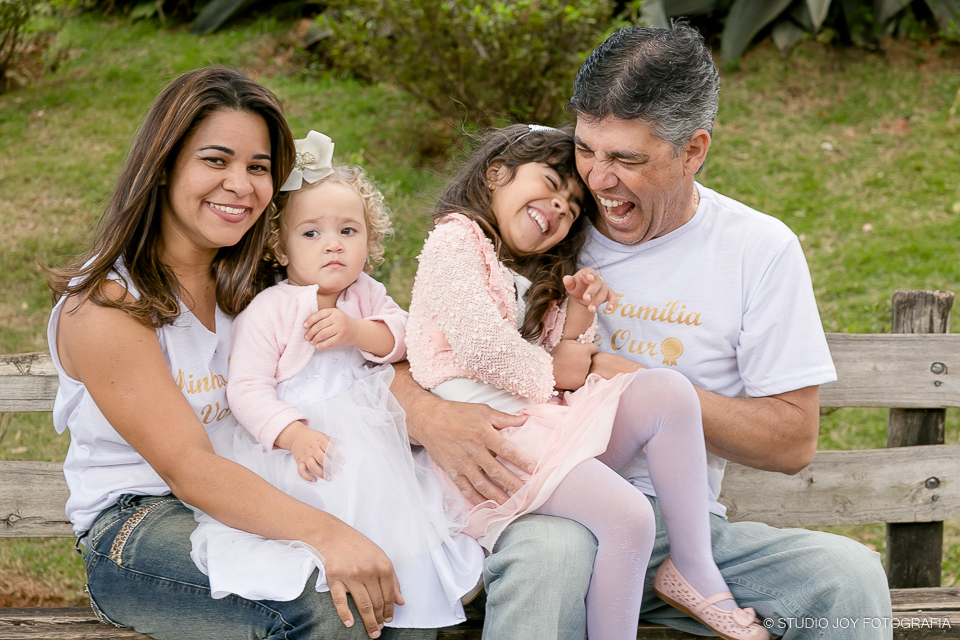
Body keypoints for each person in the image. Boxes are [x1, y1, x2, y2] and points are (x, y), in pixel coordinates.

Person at [391, 24, 893, 640]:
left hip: (685, 530)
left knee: (848, 579)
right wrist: (429, 417)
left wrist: (639, 382)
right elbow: (414, 345)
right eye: (587, 149)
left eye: (627, 159)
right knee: (552, 558)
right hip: (548, 508)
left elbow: (791, 441)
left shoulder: (757, 250)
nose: (598, 181)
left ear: (693, 150)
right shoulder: (537, 226)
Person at [46, 67, 427, 640]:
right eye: (216, 160)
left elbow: (368, 350)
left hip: (260, 488)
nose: (241, 185)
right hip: (139, 523)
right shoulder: (106, 308)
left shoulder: (261, 286)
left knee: (403, 580)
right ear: (165, 165)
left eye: (258, 167)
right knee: (325, 597)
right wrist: (329, 534)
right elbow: (189, 469)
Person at [405, 123, 767, 640]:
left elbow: (571, 365)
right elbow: (483, 347)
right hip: (488, 447)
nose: (558, 208)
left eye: (571, 208)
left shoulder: (527, 272)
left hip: (537, 429)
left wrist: (578, 308)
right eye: (550, 186)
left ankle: (692, 564)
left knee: (667, 393)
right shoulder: (455, 238)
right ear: (495, 173)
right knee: (630, 519)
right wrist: (553, 371)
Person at [187, 145, 485, 629]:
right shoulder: (272, 309)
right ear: (280, 249)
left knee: (408, 536)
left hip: (375, 447)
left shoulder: (365, 294)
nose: (334, 245)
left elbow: (405, 336)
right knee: (342, 525)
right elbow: (247, 390)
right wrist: (293, 434)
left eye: (349, 231)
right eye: (312, 233)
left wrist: (355, 329)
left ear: (370, 240)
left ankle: (412, 611)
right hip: (305, 451)